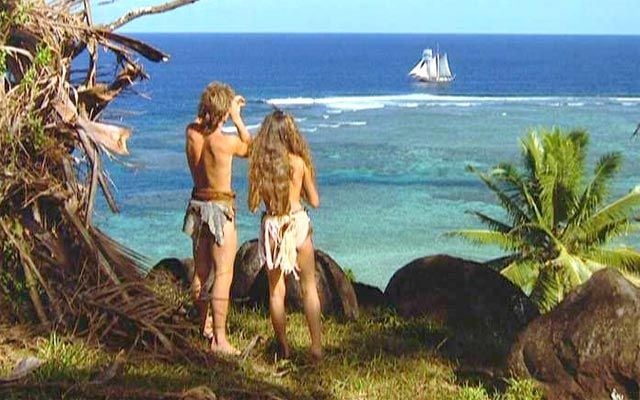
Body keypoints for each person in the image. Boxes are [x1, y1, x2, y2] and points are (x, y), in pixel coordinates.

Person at [248, 109, 322, 362]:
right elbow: (315, 201)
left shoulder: (261, 166)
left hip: (273, 226)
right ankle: (316, 347)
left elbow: (252, 203)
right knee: (309, 288)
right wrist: (298, 192)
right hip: (297, 223)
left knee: (276, 292)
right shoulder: (299, 163)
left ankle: (283, 347)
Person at [183, 81, 251, 355]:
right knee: (223, 272)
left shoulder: (191, 133)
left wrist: (213, 108)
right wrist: (237, 117)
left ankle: (203, 325)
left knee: (200, 270)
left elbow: (200, 122)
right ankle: (220, 339)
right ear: (223, 113)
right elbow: (250, 147)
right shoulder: (225, 143)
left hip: (197, 205)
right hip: (220, 208)